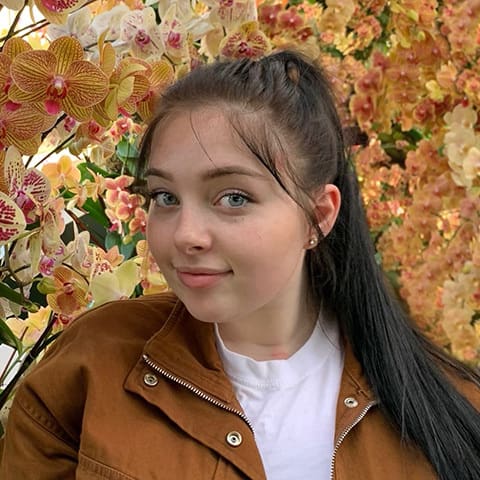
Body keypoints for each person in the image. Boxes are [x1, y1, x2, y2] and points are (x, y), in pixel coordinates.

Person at [1, 50, 479, 480]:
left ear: (319, 216)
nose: (186, 234)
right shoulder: (91, 365)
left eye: (233, 197)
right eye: (165, 196)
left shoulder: (450, 412)